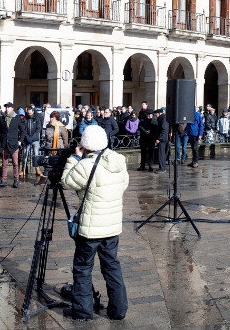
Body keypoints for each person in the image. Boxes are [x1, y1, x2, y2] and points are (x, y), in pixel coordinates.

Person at [61, 125, 129, 321]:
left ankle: (82, 312)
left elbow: (66, 181)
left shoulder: (86, 165)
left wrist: (74, 158)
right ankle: (118, 310)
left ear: (85, 144)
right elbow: (123, 184)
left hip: (91, 229)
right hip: (112, 226)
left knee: (83, 269)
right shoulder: (119, 161)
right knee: (112, 267)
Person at [0, 103, 26, 188]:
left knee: (15, 163)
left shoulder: (17, 118)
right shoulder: (2, 118)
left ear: (12, 108)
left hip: (14, 144)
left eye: (8, 107)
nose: (7, 109)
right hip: (4, 143)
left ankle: (16, 180)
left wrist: (20, 141)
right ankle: (3, 180)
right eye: (6, 107)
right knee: (4, 163)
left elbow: (23, 131)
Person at [152, 109, 169, 173]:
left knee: (161, 154)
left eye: (156, 114)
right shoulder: (162, 118)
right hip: (163, 138)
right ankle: (161, 167)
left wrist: (159, 139)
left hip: (162, 139)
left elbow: (164, 130)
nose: (155, 115)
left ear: (159, 113)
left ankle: (162, 168)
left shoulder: (163, 119)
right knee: (161, 154)